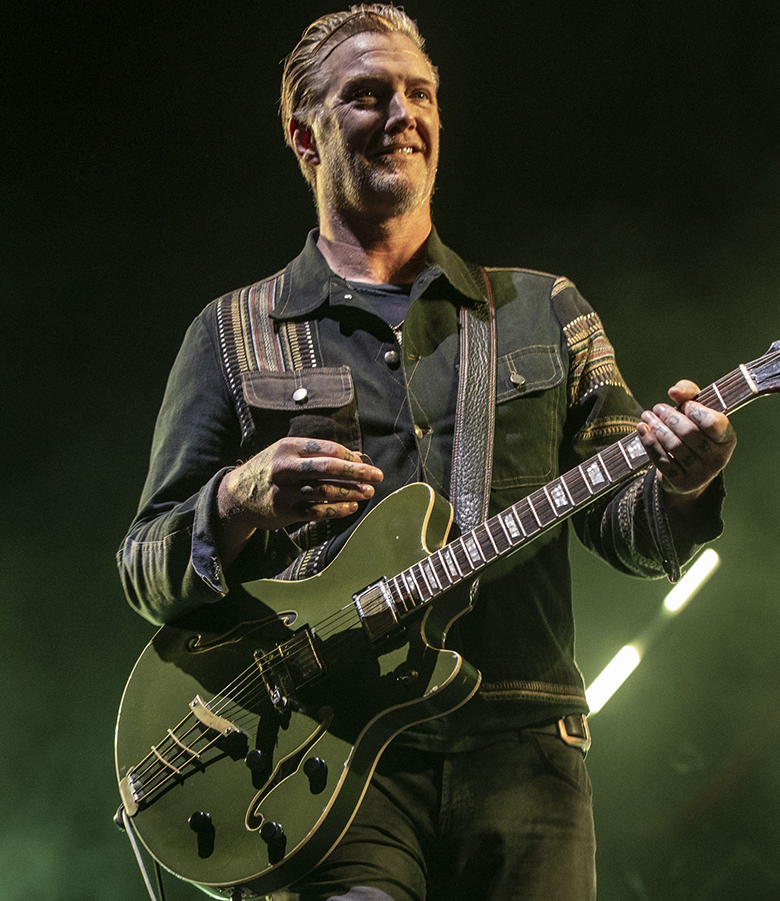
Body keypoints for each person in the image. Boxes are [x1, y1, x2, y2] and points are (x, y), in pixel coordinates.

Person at [118, 5, 735, 900]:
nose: (401, 113)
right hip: (326, 762)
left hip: (525, 746)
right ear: (305, 135)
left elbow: (630, 530)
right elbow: (146, 566)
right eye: (367, 95)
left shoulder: (543, 309)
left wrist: (688, 482)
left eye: (420, 93)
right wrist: (238, 498)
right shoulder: (232, 333)